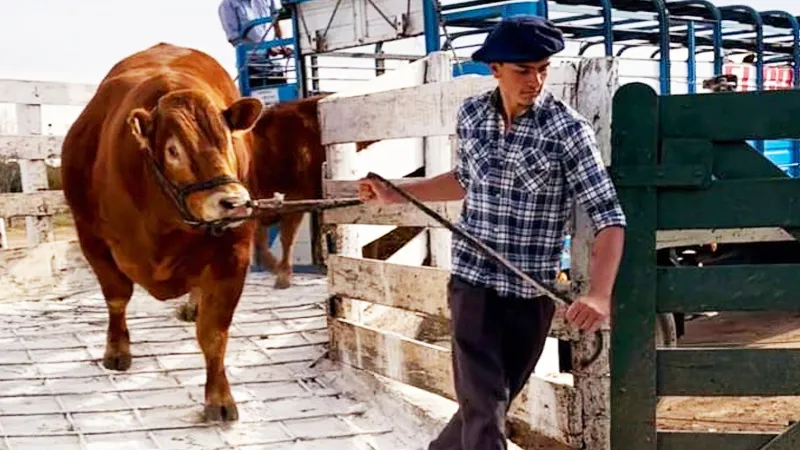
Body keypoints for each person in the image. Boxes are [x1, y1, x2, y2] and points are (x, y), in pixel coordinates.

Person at [357, 15, 627, 450]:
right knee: (485, 411)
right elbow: (465, 179)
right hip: (472, 285)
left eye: (543, 68)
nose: (535, 80)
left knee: (487, 406)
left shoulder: (568, 130)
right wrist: (398, 191)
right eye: (523, 70)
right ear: (494, 68)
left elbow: (608, 215)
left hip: (529, 295)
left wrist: (599, 293)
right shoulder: (472, 115)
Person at [218, 0, 290, 88]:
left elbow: (277, 23)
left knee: (285, 97)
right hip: (251, 66)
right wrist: (266, 49)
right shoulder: (227, 5)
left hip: (274, 64)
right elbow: (234, 38)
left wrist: (284, 46)